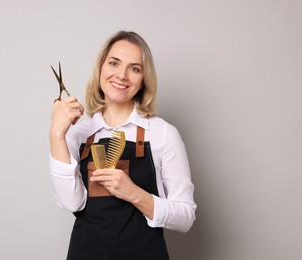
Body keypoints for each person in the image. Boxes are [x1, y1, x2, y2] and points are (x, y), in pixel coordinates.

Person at [49, 31, 196, 260]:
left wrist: (134, 193)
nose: (122, 75)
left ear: (143, 79)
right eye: (114, 63)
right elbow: (72, 202)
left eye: (134, 68)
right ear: (101, 68)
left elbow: (185, 217)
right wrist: (56, 133)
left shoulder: (162, 133)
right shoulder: (77, 132)